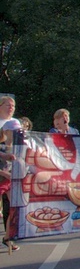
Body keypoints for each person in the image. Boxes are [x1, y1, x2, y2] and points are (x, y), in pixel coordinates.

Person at [0, 95, 20, 251]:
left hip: (11, 172)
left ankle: (8, 237)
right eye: (8, 105)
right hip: (2, 172)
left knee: (14, 206)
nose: (11, 107)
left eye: (13, 105)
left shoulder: (16, 123)